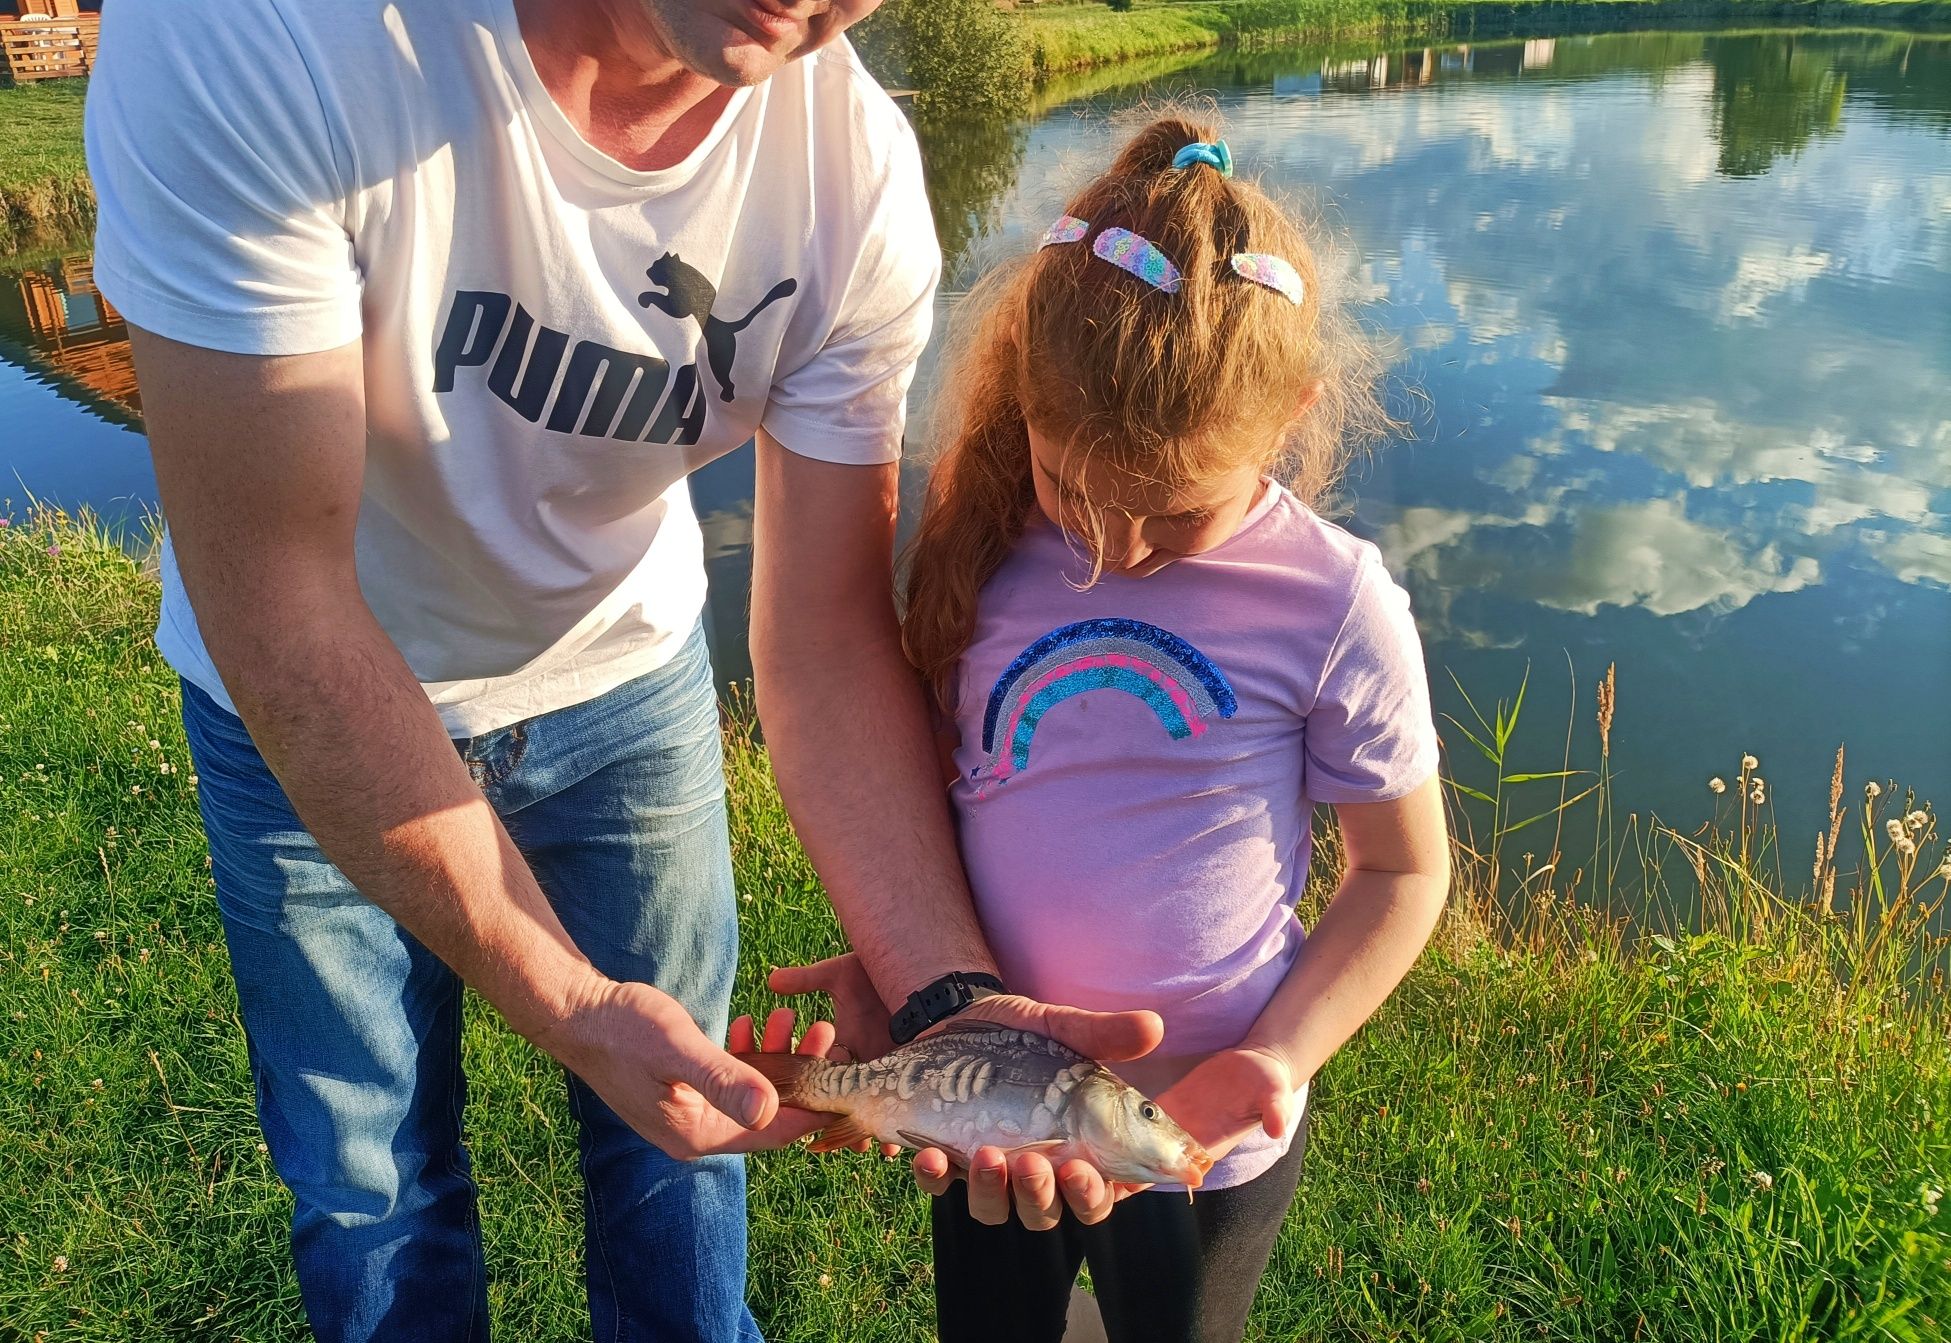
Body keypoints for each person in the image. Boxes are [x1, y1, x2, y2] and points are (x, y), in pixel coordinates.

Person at [84, 2, 1159, 1339]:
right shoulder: (257, 33)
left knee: (686, 1136)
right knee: (369, 1183)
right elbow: (284, 606)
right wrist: (572, 1003)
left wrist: (948, 997)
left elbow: (825, 634)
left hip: (621, 679)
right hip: (295, 697)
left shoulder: (853, 184)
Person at [888, 115, 1453, 1342]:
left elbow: (1403, 870)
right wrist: (900, 969)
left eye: (1173, 514)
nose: (1114, 546)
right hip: (1001, 1116)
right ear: (1024, 392)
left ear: (1294, 414)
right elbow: (934, 801)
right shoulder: (978, 546)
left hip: (1213, 1130)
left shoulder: (1334, 598)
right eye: (1072, 488)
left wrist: (1283, 1054)